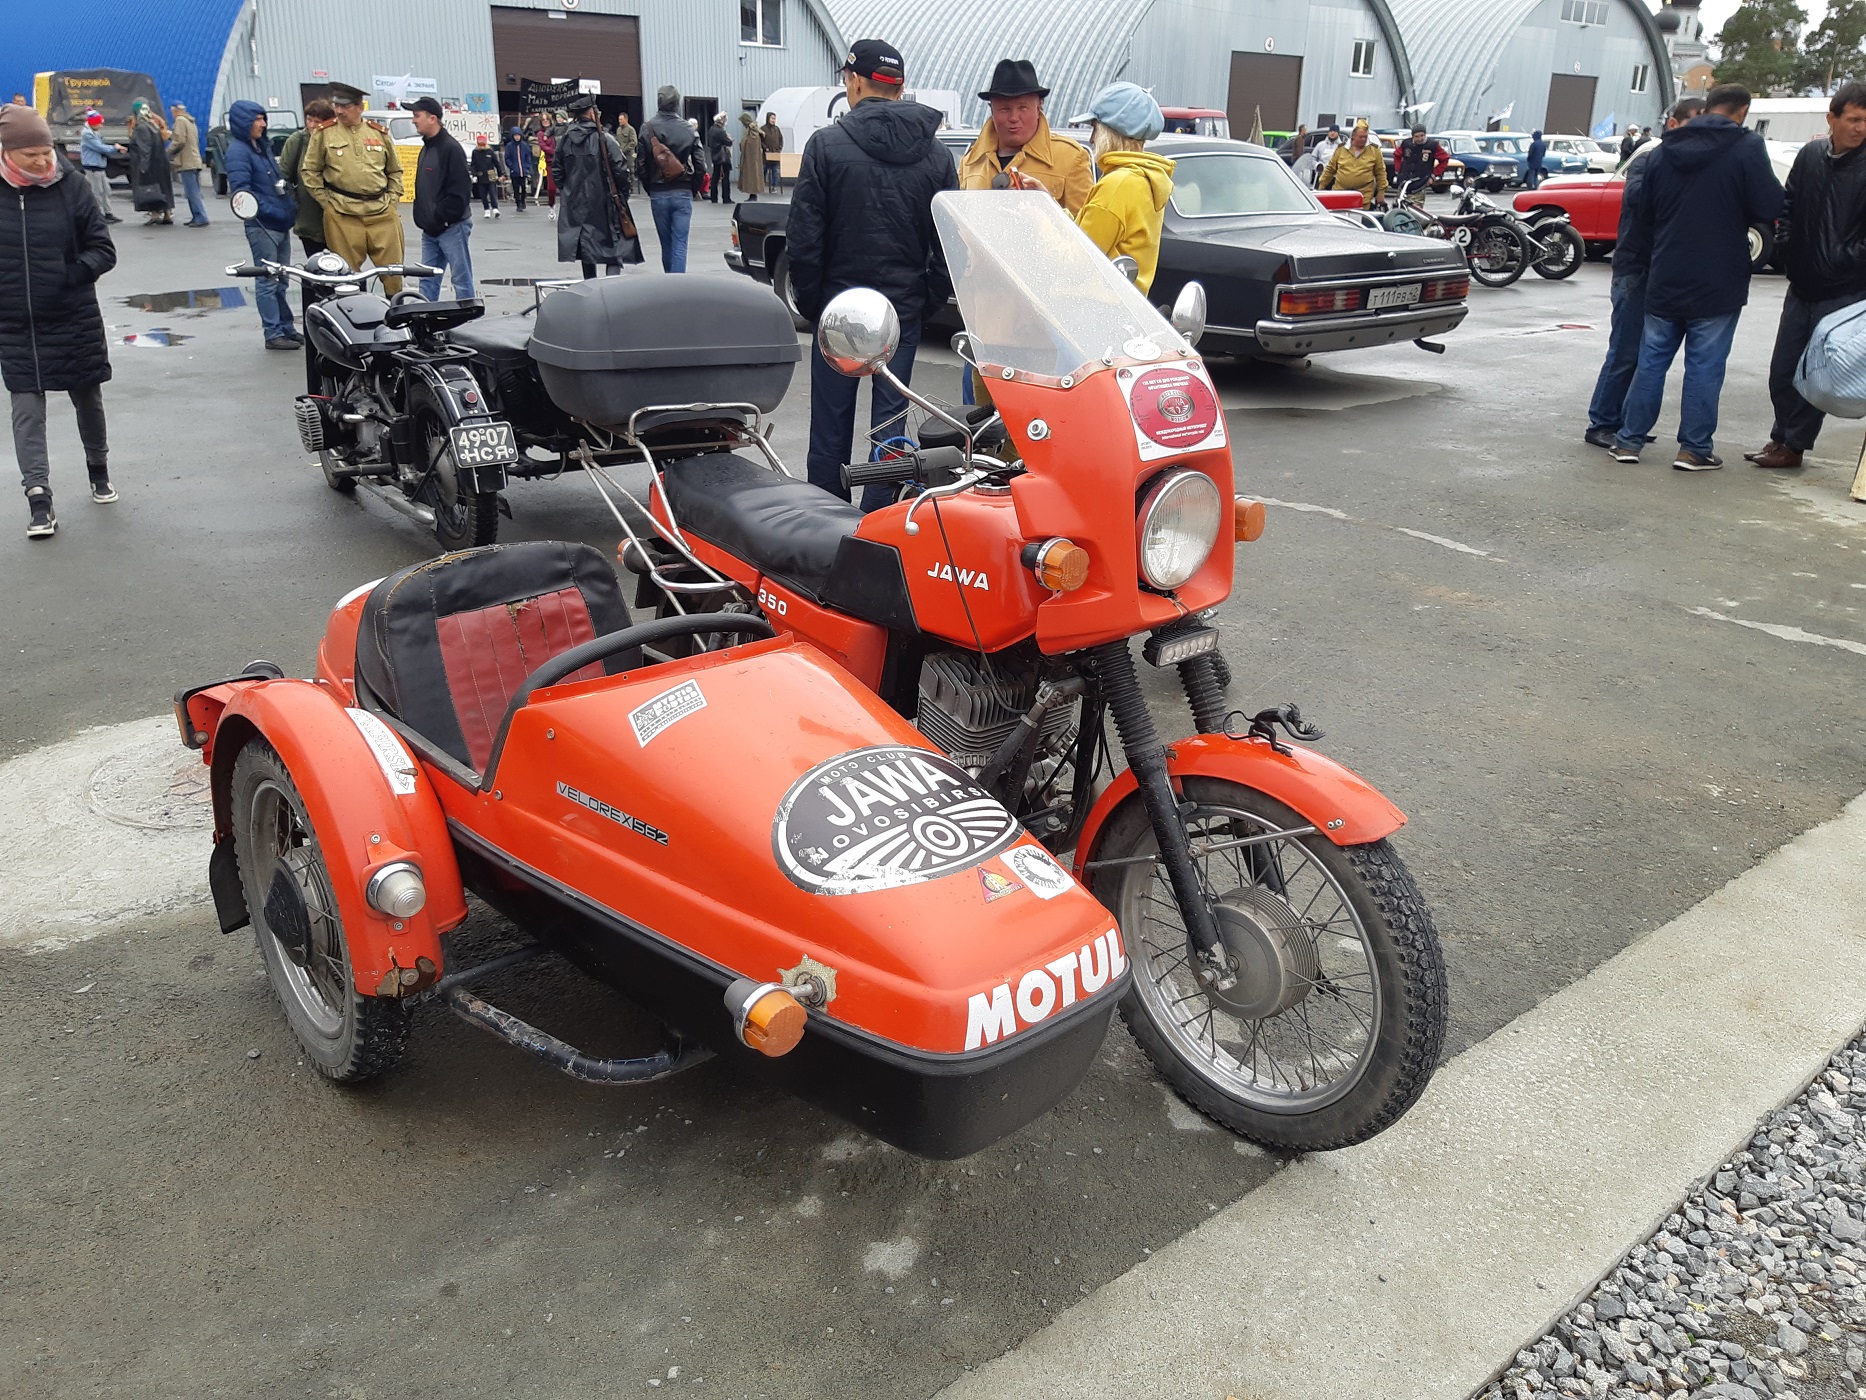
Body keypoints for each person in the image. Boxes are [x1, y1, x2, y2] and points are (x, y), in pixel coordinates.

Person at [788, 38, 956, 506]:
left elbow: (805, 239)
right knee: (890, 424)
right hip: (900, 309)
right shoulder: (937, 156)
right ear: (899, 88)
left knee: (830, 424)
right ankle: (880, 521)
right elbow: (948, 245)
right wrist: (924, 303)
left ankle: (823, 519)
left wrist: (815, 305)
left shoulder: (826, 146)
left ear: (855, 82)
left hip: (840, 311)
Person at [1611, 84, 1784, 470]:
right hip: (1718, 277)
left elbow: (1645, 211)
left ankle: (1628, 442)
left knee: (1651, 361)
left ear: (1707, 108)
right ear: (1742, 112)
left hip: (1666, 271)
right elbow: (1769, 204)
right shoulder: (1747, 146)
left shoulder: (1665, 149)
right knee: (1705, 366)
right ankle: (1693, 449)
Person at [0, 104, 118, 537]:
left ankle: (98, 470)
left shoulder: (72, 186)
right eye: (30, 154)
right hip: (15, 325)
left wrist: (68, 276)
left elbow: (103, 250)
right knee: (26, 412)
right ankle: (39, 500)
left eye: (45, 151)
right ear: (6, 152)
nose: (41, 161)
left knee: (88, 399)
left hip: (73, 316)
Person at [1744, 84, 1866, 471]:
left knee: (1816, 373)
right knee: (1783, 368)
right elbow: (1789, 204)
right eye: (1854, 119)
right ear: (1832, 118)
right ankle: (1780, 436)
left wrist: (1845, 260)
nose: (1861, 128)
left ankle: (1793, 445)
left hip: (1845, 290)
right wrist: (1786, 248)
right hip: (1801, 283)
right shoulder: (1811, 155)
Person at [1583, 96, 1704, 450]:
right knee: (1625, 351)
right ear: (1674, 124)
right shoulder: (1650, 159)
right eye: (1695, 122)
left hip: (1660, 270)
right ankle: (1602, 422)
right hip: (1635, 268)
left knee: (1646, 354)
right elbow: (1636, 197)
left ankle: (1625, 421)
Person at [300, 82, 406, 293]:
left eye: (345, 106)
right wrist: (327, 203)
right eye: (336, 105)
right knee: (346, 277)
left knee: (393, 275)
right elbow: (310, 171)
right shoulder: (324, 134)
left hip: (382, 213)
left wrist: (392, 199)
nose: (339, 111)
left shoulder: (379, 133)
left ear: (360, 107)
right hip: (343, 214)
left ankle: (396, 311)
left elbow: (395, 171)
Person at [1071, 83, 1174, 293]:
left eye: (1095, 128)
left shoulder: (1118, 185)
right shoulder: (1144, 178)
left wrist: (1042, 220)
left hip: (1092, 304)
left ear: (1110, 132)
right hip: (1124, 302)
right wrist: (1050, 204)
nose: (1091, 139)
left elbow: (1077, 260)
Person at [958, 60, 1091, 212]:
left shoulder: (1070, 157)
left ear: (1039, 107)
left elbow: (1085, 224)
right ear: (991, 110)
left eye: (1023, 108)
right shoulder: (970, 163)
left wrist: (1047, 207)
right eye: (1004, 109)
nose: (1014, 117)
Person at [222, 101, 300, 351]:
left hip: (279, 223)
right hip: (262, 225)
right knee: (267, 281)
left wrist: (289, 208)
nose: (263, 124)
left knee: (281, 280)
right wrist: (276, 211)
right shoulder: (238, 152)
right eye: (257, 120)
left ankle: (286, 328)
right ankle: (273, 333)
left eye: (263, 119)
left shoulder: (261, 147)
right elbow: (242, 194)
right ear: (244, 123)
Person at [552, 93, 642, 279]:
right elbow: (620, 169)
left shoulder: (565, 140)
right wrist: (623, 194)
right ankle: (611, 288)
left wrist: (569, 190)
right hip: (604, 201)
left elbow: (557, 172)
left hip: (576, 203)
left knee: (587, 249)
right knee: (613, 248)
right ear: (592, 114)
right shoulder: (605, 139)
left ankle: (590, 286)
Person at [410, 96, 474, 302]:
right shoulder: (427, 148)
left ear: (433, 119)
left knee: (461, 279)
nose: (413, 120)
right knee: (427, 279)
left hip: (452, 227)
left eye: (417, 115)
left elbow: (461, 191)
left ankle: (467, 315)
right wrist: (424, 218)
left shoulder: (450, 149)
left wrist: (442, 218)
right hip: (430, 229)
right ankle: (425, 317)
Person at [638, 86, 699, 273]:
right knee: (680, 243)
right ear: (677, 104)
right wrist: (693, 189)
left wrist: (650, 188)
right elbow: (701, 165)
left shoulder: (647, 128)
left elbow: (641, 165)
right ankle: (678, 284)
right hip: (683, 190)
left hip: (658, 192)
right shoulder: (689, 129)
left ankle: (669, 281)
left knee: (666, 244)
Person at [278, 99, 335, 259]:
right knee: (316, 264)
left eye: (317, 121)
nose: (312, 125)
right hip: (309, 219)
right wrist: (295, 204)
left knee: (342, 265)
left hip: (338, 216)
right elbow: (283, 176)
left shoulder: (337, 139)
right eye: (309, 120)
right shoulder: (298, 141)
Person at [1320, 121, 1386, 208]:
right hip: (1340, 195)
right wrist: (1321, 186)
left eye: (1365, 137)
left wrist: (1381, 192)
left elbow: (1380, 172)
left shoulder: (1374, 150)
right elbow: (1330, 169)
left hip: (1363, 197)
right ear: (1353, 136)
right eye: (1361, 137)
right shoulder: (1341, 149)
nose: (1363, 139)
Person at [126, 101, 173, 224]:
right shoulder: (153, 125)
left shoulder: (141, 128)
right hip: (160, 162)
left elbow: (145, 148)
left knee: (151, 189)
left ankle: (155, 215)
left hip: (150, 165)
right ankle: (167, 214)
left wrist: (143, 165)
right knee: (162, 188)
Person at [167, 102, 208, 226]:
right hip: (195, 160)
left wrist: (168, 151)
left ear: (175, 110)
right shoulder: (190, 121)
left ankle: (200, 217)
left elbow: (180, 140)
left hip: (187, 161)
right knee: (194, 190)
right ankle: (196, 216)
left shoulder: (180, 120)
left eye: (172, 111)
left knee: (191, 192)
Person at [79, 112, 123, 223]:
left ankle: (108, 213)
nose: (101, 126)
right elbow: (100, 147)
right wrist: (115, 148)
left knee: (106, 191)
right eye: (100, 123)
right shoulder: (87, 134)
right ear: (93, 123)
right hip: (92, 167)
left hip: (99, 166)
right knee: (97, 192)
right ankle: (98, 215)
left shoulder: (95, 132)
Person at [1393, 127, 1442, 195]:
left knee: (1415, 201)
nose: (1419, 139)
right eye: (1416, 136)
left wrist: (1433, 176)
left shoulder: (1432, 145)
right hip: (1404, 180)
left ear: (1425, 135)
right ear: (1413, 136)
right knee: (1400, 200)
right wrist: (1398, 170)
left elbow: (1444, 159)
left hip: (1421, 181)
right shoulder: (1406, 143)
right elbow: (1396, 155)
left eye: (1422, 136)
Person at [736, 112, 767, 200]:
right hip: (751, 158)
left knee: (752, 176)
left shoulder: (752, 131)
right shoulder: (751, 130)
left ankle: (753, 194)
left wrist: (742, 145)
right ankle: (752, 194)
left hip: (752, 159)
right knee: (751, 177)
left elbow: (750, 144)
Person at [469, 133, 501, 216]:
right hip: (480, 175)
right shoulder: (475, 152)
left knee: (492, 192)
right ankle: (486, 209)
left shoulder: (490, 151)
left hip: (491, 175)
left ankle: (495, 208)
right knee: (483, 194)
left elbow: (496, 163)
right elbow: (473, 165)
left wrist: (501, 174)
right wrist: (474, 175)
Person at [502, 125, 530, 213]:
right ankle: (518, 204)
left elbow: (528, 157)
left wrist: (527, 167)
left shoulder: (524, 146)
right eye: (515, 135)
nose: (517, 137)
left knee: (524, 187)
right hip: (514, 171)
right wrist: (512, 167)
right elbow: (507, 158)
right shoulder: (509, 146)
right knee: (516, 188)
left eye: (518, 135)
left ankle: (523, 200)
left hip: (523, 171)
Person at [705, 113, 733, 203]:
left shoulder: (711, 129)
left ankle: (714, 197)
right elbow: (729, 142)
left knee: (715, 177)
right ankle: (726, 198)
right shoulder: (721, 131)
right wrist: (729, 139)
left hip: (715, 155)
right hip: (723, 157)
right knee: (725, 177)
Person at [761, 112, 783, 188]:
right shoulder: (763, 129)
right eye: (772, 118)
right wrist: (765, 148)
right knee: (764, 169)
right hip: (766, 154)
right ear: (768, 118)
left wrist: (779, 148)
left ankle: (774, 186)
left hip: (775, 154)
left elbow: (781, 139)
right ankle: (762, 184)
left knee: (775, 170)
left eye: (774, 119)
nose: (773, 120)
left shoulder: (777, 129)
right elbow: (760, 141)